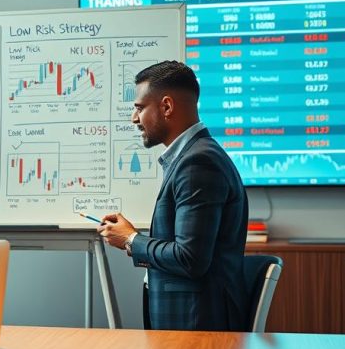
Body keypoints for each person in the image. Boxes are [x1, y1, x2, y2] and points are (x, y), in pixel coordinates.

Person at [98, 60, 249, 331]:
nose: (134, 119)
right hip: (190, 321)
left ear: (166, 106)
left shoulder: (198, 163)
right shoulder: (194, 156)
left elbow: (190, 258)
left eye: (139, 108)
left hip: (197, 328)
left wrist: (130, 239)